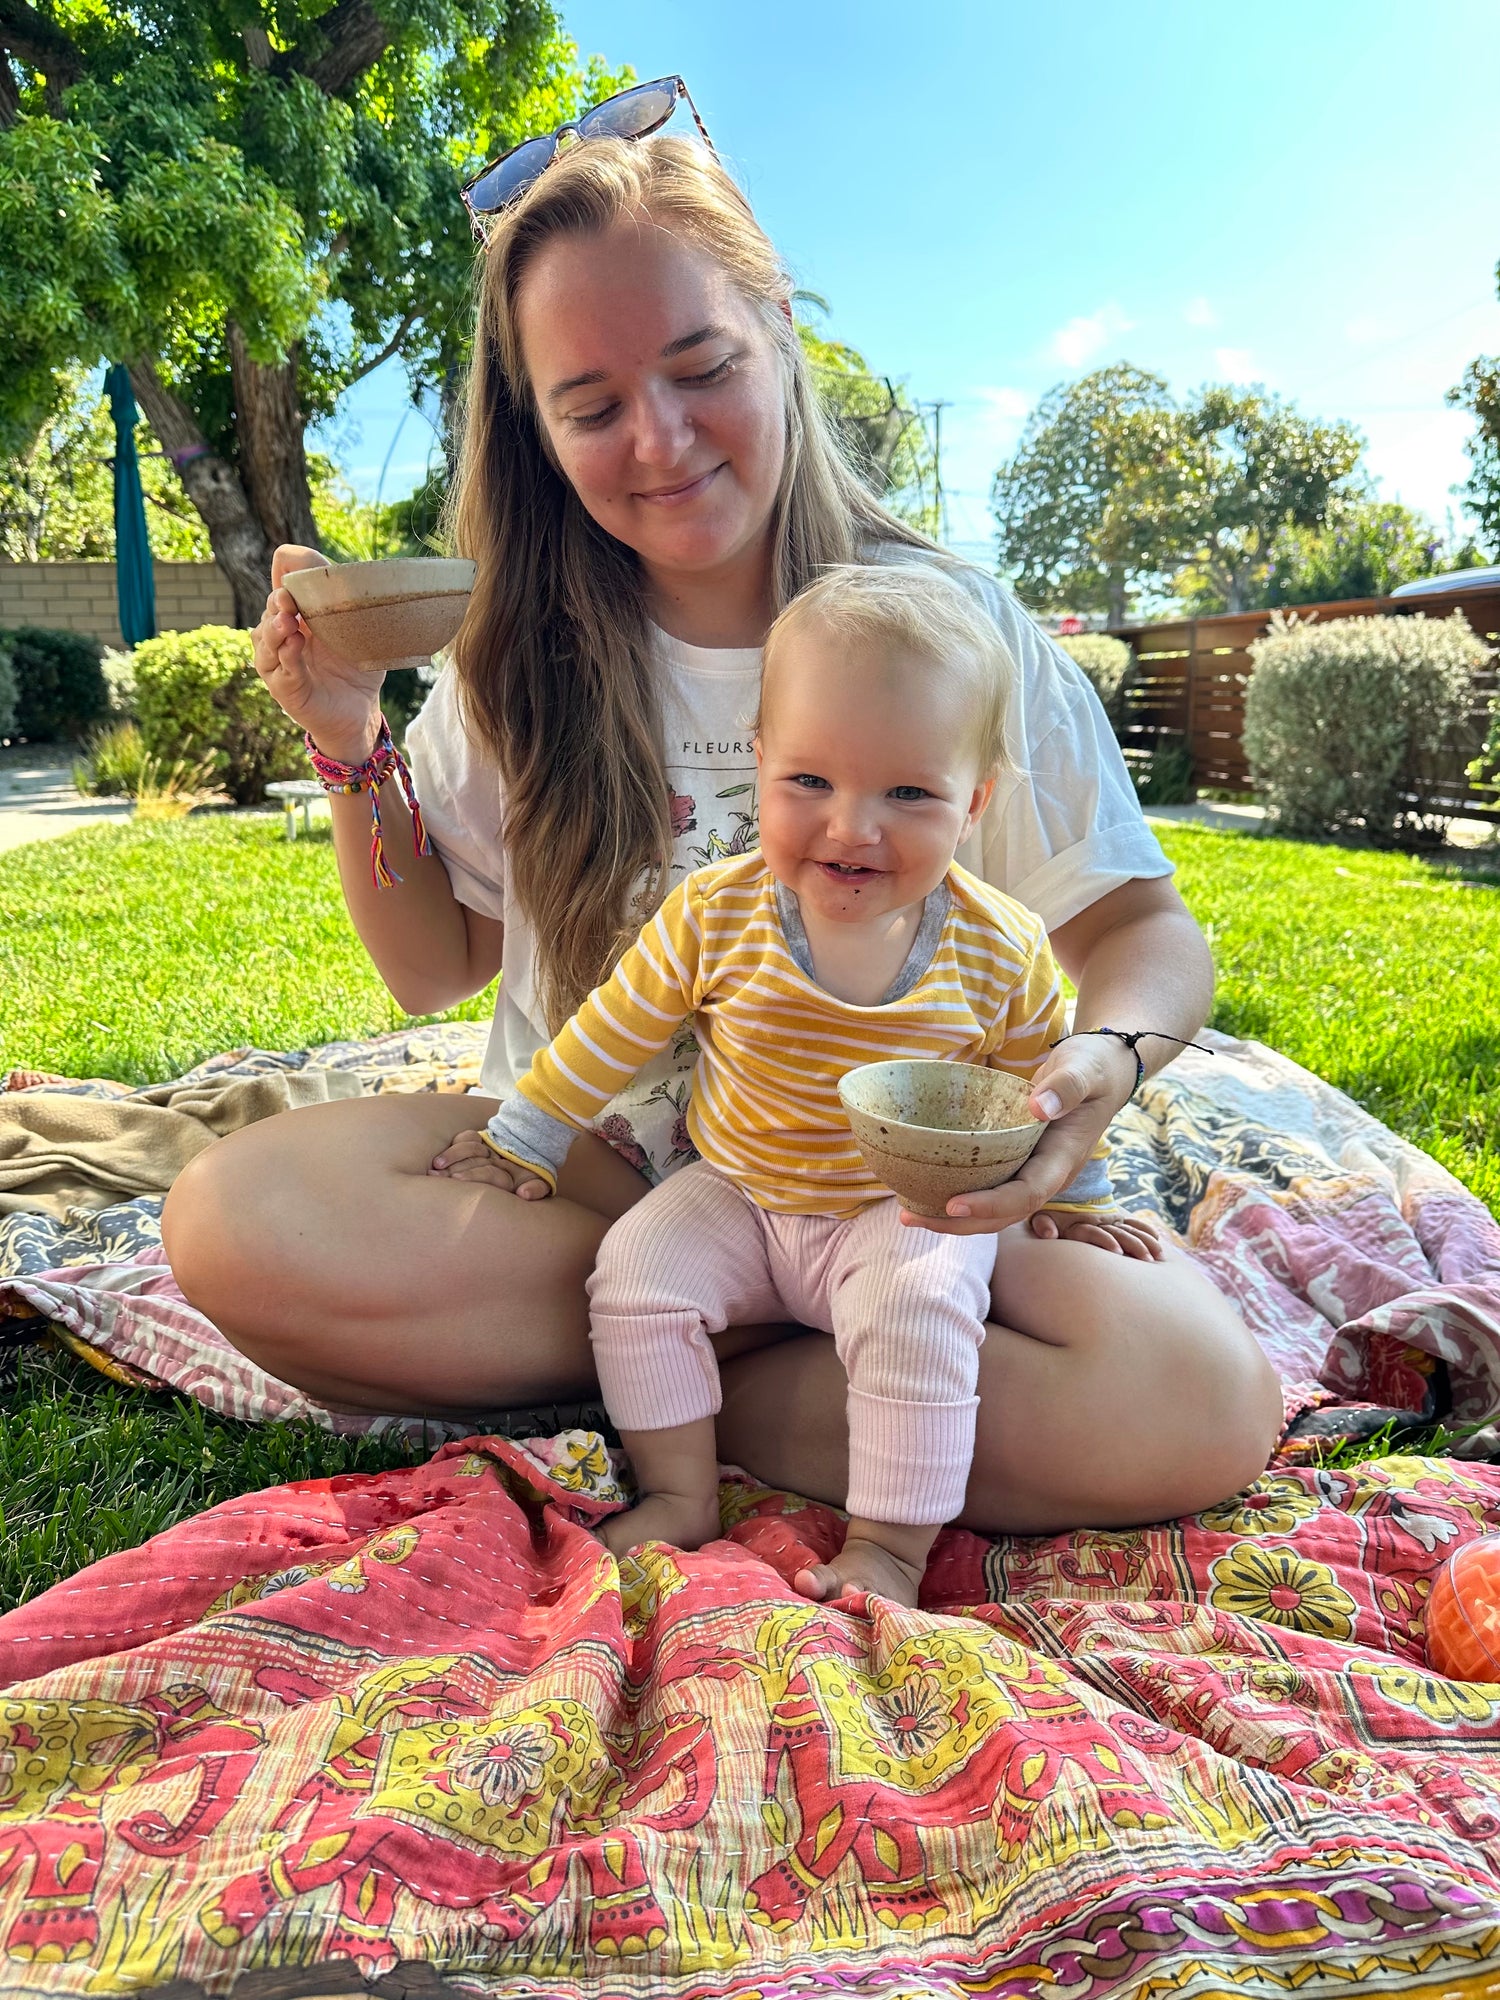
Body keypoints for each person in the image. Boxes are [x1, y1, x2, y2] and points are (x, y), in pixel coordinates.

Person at [161, 106, 1283, 1535]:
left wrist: (1101, 1067)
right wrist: (348, 739)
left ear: (780, 337)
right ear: (539, 428)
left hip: (912, 1212)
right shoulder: (523, 657)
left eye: (703, 370)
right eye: (592, 405)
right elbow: (432, 965)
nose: (660, 441)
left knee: (1193, 1403)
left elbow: (1140, 929)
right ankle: (816, 1372)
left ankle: (697, 1384)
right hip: (611, 1192)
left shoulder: (951, 631)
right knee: (234, 1226)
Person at [458, 563, 1162, 1605]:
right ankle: (681, 1491)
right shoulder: (716, 911)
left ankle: (887, 1544)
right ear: (758, 765)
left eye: (907, 793)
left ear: (974, 803)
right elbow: (615, 1026)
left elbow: (1038, 1084)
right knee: (632, 1274)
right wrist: (529, 1128)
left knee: (923, 1315)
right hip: (739, 1185)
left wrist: (1078, 1193)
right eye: (809, 783)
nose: (851, 827)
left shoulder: (999, 943)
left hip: (902, 1206)